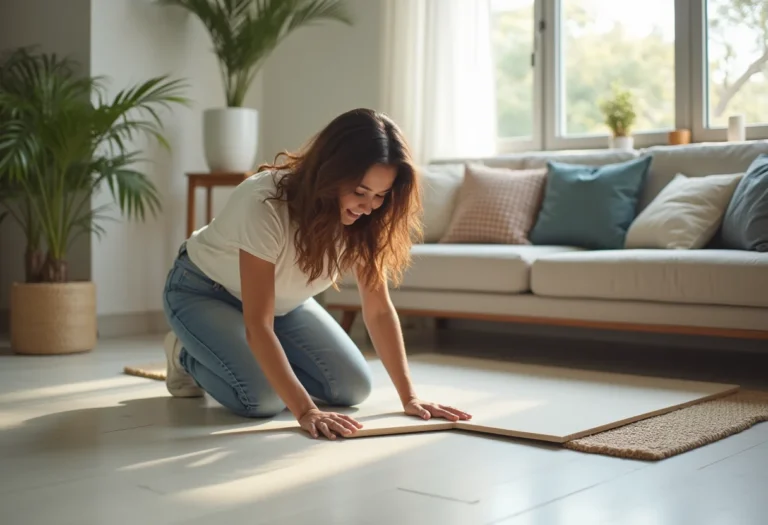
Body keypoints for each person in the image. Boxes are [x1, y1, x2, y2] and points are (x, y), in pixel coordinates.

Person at [161, 108, 471, 440]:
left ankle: (245, 358)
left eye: (381, 195)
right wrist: (306, 410)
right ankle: (183, 352)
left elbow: (378, 309)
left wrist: (409, 397)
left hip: (284, 305)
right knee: (261, 398)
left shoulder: (370, 219)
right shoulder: (265, 201)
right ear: (330, 173)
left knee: (352, 387)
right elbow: (258, 323)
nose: (369, 206)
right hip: (204, 291)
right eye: (360, 191)